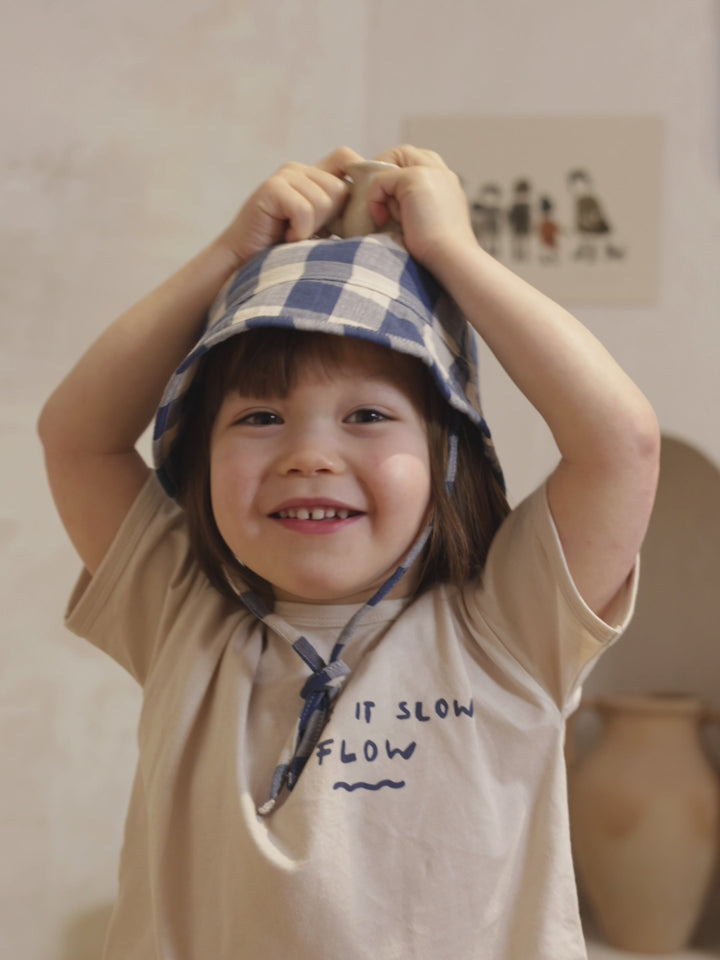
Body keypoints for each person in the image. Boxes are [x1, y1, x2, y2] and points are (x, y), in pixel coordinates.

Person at [38, 145, 660, 960]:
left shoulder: (507, 625)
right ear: (198, 457)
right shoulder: (182, 613)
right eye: (260, 418)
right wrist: (228, 255)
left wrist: (454, 255)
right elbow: (75, 438)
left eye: (366, 416)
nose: (309, 454)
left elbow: (621, 446)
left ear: (446, 456)